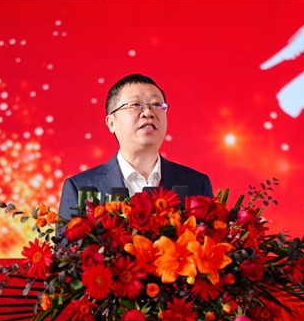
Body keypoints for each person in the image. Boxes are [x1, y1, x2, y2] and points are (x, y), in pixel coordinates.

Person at [58, 73, 213, 220]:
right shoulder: (79, 187)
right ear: (111, 122)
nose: (148, 112)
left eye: (157, 105)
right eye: (136, 105)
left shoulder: (197, 184)